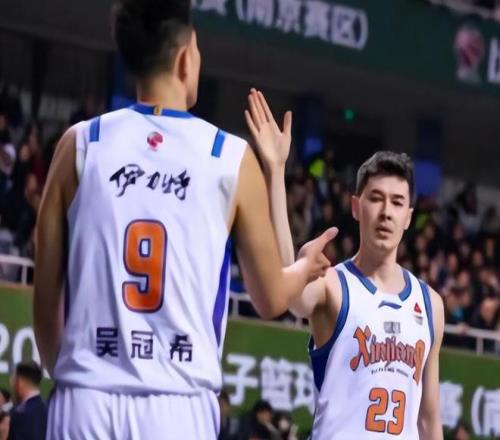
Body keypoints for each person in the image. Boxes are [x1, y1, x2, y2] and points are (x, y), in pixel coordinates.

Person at [33, 1, 334, 439]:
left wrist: (71, 375)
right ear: (184, 58)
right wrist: (305, 268)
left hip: (85, 399)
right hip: (178, 404)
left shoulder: (80, 144)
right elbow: (270, 297)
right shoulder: (227, 155)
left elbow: (45, 298)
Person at [245, 90, 445, 439]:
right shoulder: (332, 286)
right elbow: (286, 288)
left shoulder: (430, 305)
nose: (386, 212)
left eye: (397, 202)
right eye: (376, 198)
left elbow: (428, 421)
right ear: (356, 207)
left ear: (409, 217)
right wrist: (276, 171)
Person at [8, 362, 47, 440]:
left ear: (19, 381)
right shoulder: (48, 410)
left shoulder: (20, 414)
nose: (11, 384)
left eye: (13, 379)